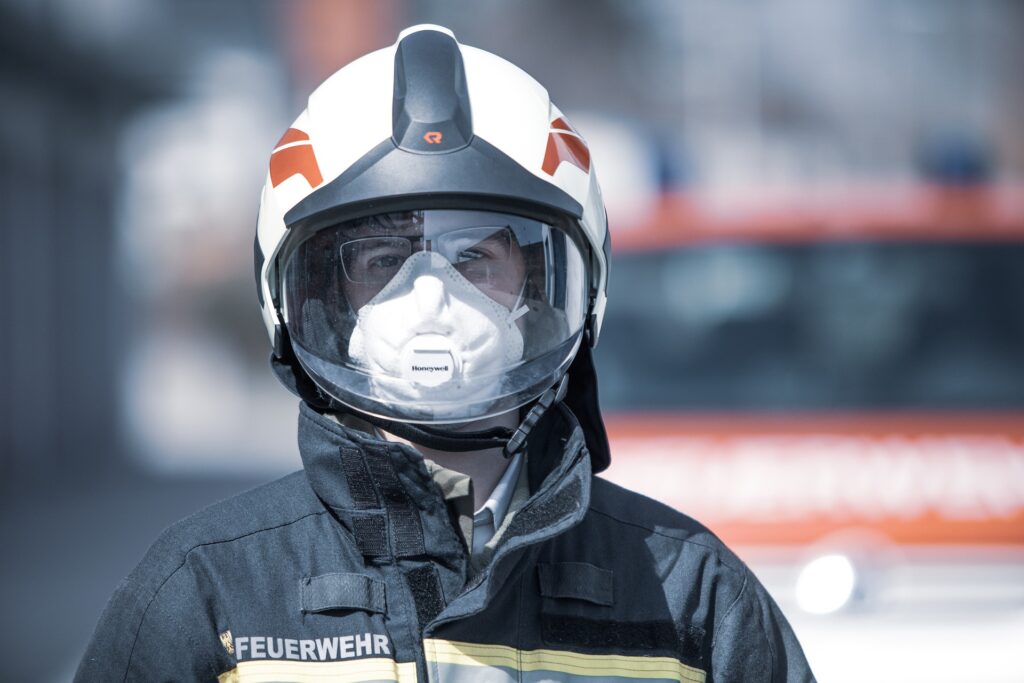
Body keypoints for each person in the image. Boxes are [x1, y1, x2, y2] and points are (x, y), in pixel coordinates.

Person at [76, 25, 815, 682]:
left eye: (474, 259)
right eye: (382, 259)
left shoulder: (688, 594)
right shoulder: (207, 593)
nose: (430, 298)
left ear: (547, 291)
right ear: (316, 298)